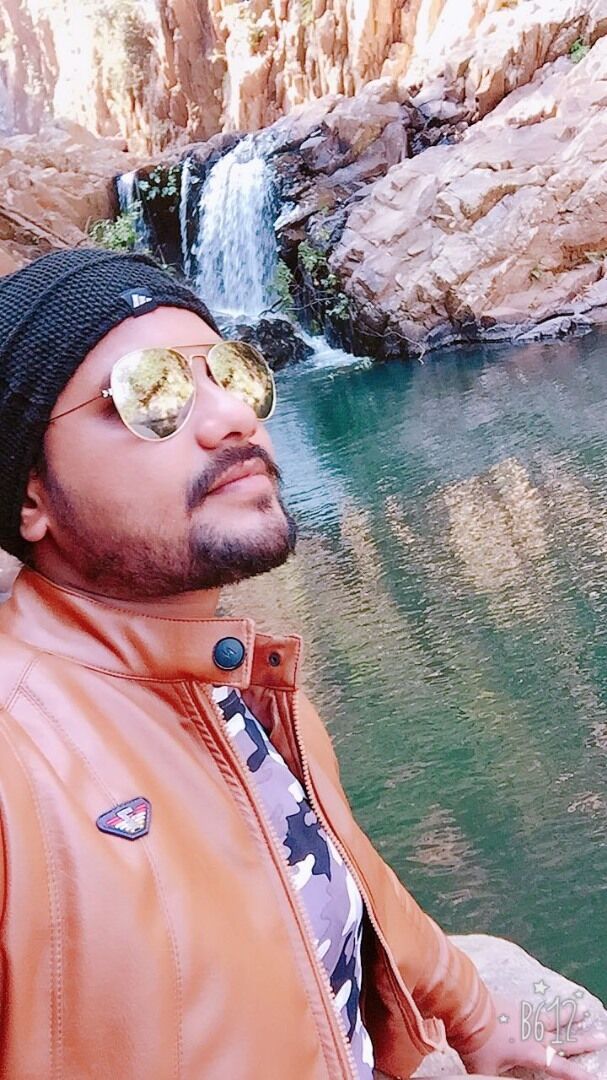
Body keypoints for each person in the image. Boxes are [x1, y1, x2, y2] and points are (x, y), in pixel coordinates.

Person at [0, 248, 602, 1080]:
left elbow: (331, 861)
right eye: (150, 393)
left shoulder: (238, 687)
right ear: (29, 495)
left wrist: (471, 1013)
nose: (230, 419)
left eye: (233, 375)